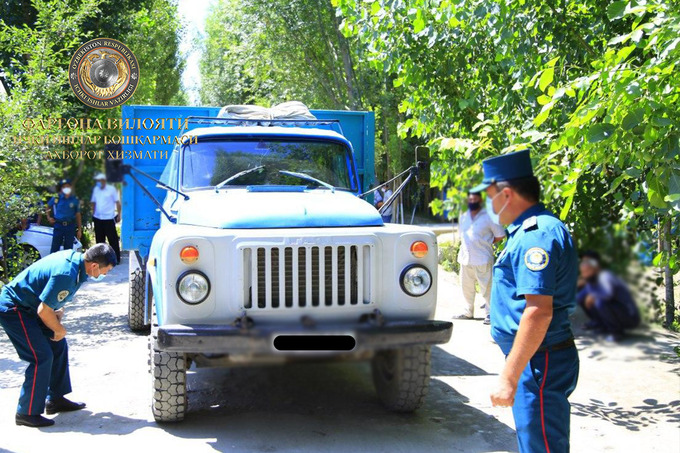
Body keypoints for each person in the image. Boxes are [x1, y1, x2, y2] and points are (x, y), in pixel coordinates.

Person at [469, 150, 579, 453]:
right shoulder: (528, 231)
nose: (489, 205)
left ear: (506, 194)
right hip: (539, 358)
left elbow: (538, 312)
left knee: (541, 447)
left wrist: (510, 376)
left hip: (540, 361)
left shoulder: (535, 236)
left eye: (490, 196)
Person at [0, 243, 117, 427]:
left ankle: (55, 399)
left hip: (30, 306)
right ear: (94, 265)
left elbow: (49, 300)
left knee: (58, 344)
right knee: (41, 356)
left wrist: (56, 312)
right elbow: (43, 310)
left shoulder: (78, 265)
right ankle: (26, 412)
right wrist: (59, 328)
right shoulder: (66, 273)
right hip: (15, 308)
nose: (104, 275)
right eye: (105, 270)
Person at [454, 190, 506, 324]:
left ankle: (490, 314)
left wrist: (486, 241)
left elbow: (500, 234)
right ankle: (468, 311)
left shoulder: (489, 216)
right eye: (470, 200)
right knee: (466, 287)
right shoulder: (464, 216)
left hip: (482, 257)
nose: (472, 202)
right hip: (465, 258)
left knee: (487, 288)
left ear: (480, 201)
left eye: (475, 200)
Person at [577, 250, 640, 342]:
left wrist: (593, 296)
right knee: (584, 298)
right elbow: (580, 298)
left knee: (599, 301)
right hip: (617, 311)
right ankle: (601, 324)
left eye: (586, 270)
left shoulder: (604, 276)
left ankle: (616, 332)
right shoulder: (591, 280)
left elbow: (608, 294)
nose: (583, 273)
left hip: (629, 316)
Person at [90, 173, 121, 264]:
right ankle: (101, 260)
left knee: (113, 240)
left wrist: (119, 214)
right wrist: (93, 213)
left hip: (108, 218)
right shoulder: (96, 190)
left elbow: (117, 203)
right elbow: (93, 202)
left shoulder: (111, 190)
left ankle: (116, 259)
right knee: (99, 240)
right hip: (98, 218)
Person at [46, 179, 82, 254]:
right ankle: (53, 265)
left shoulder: (74, 200)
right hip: (58, 225)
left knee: (68, 250)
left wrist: (79, 229)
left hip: (70, 226)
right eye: (64, 187)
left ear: (71, 187)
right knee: (54, 248)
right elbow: (47, 207)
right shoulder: (57, 198)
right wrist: (48, 217)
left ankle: (66, 265)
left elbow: (78, 215)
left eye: (68, 186)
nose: (66, 188)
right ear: (62, 188)